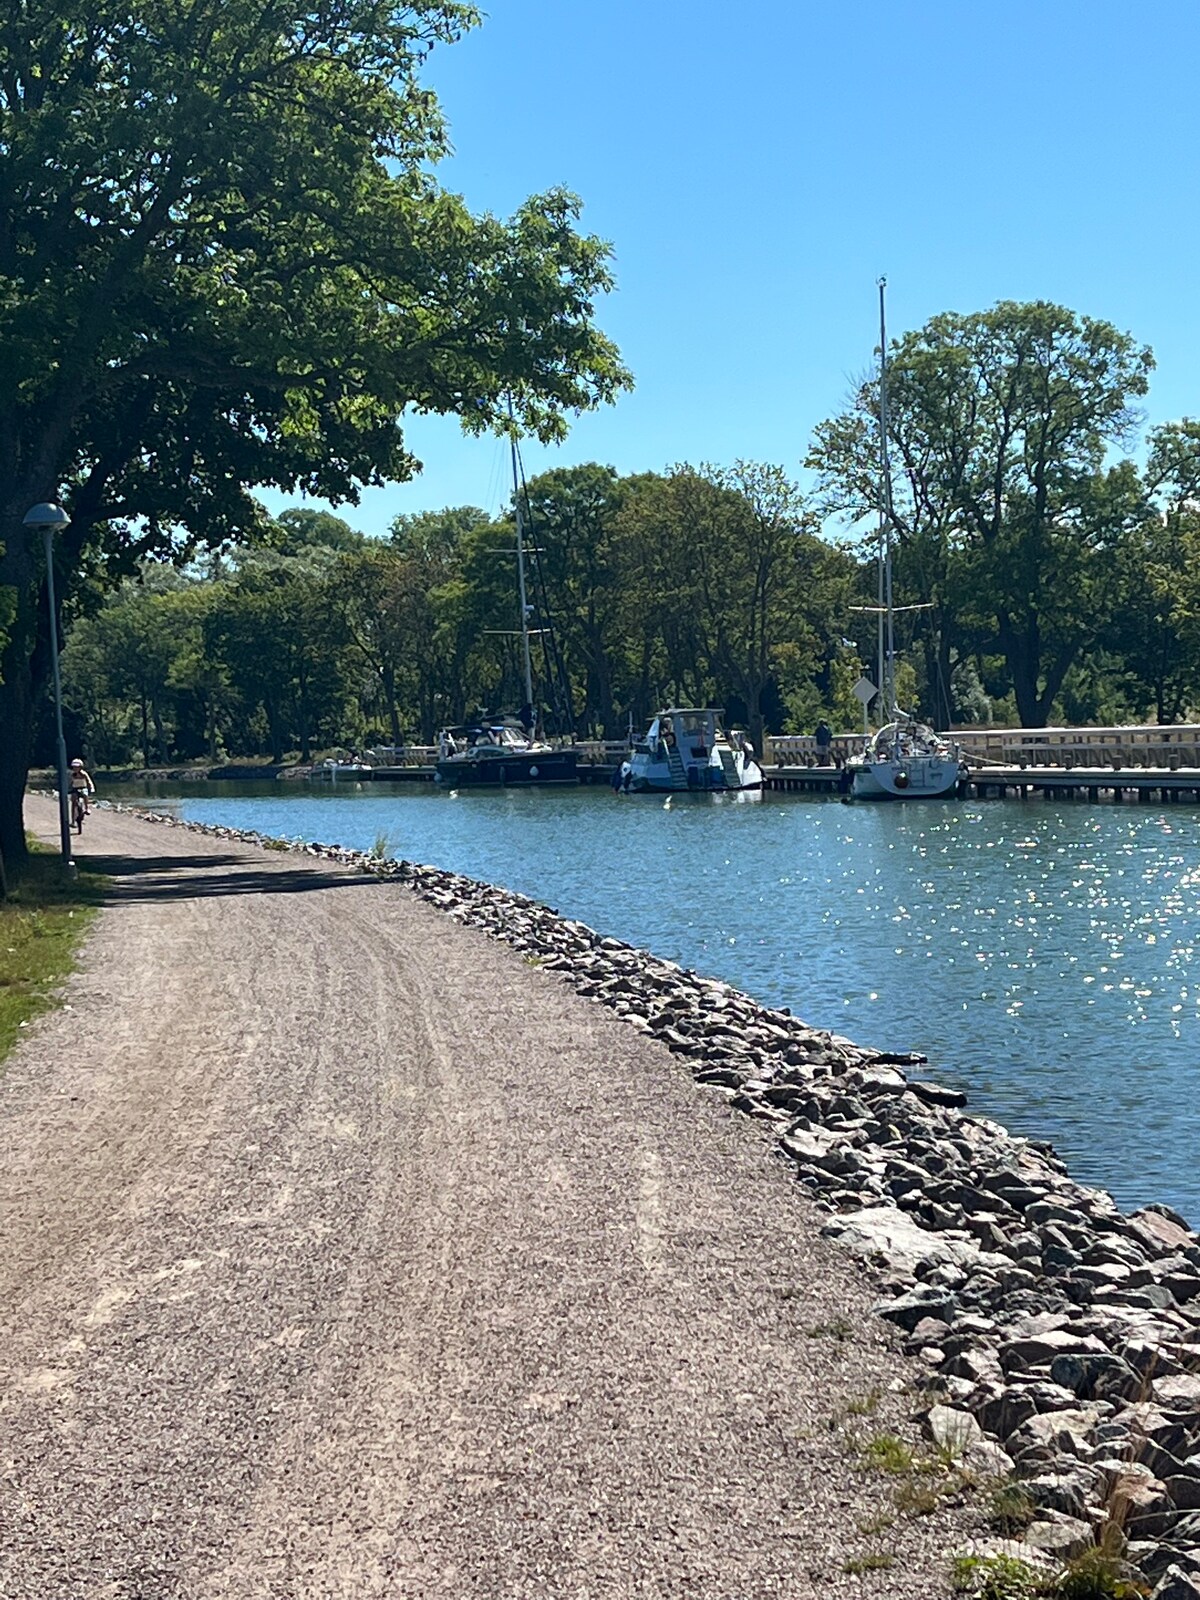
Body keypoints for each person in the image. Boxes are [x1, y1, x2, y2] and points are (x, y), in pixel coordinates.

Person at [68, 758, 95, 829]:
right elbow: (70, 783)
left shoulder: (84, 774)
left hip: (83, 787)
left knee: (85, 794)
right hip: (75, 789)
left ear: (80, 767)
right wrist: (68, 789)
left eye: (77, 767)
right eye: (74, 767)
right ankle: (73, 821)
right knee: (73, 802)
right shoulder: (72, 775)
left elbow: (89, 781)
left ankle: (87, 808)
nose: (75, 768)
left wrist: (91, 788)